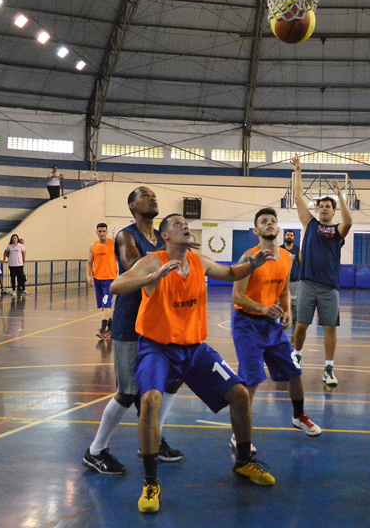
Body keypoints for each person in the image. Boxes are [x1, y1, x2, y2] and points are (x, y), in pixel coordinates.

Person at [111, 213, 277, 513]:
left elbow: (230, 274)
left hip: (194, 349)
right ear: (165, 236)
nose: (185, 226)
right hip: (157, 348)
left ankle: (243, 462)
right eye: (177, 224)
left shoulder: (198, 260)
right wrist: (152, 278)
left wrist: (250, 265)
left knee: (239, 394)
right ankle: (150, 482)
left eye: (186, 224)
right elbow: (116, 286)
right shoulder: (153, 261)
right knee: (149, 400)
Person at [83, 187, 182, 477]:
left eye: (153, 196)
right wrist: (166, 261)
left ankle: (154, 439)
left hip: (158, 320)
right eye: (144, 196)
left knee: (172, 380)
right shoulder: (127, 236)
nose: (152, 198)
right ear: (131, 206)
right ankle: (95, 451)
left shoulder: (160, 238)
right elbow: (132, 267)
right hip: (130, 321)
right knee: (128, 392)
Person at [231, 207, 322, 448]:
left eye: (273, 220)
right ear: (256, 230)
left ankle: (298, 416)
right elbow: (237, 296)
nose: (270, 223)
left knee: (294, 371)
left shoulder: (286, 258)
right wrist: (262, 308)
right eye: (264, 221)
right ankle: (238, 434)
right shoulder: (248, 258)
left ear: (279, 228)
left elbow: (283, 291)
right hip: (247, 324)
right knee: (251, 380)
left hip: (272, 325)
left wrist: (288, 311)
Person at [290, 155, 353, 387]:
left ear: (333, 211)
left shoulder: (338, 231)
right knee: (301, 325)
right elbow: (298, 198)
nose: (324, 209)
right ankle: (296, 356)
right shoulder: (310, 224)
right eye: (321, 206)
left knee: (330, 328)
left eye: (328, 207)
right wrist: (298, 171)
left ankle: (329, 368)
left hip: (329, 288)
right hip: (307, 283)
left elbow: (349, 220)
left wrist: (340, 195)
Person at [88, 223, 118, 339]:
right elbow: (89, 263)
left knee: (106, 304)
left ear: (107, 232)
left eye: (104, 231)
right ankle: (111, 329)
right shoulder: (93, 245)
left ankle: (102, 330)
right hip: (98, 280)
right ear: (97, 232)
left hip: (109, 280)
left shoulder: (113, 244)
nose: (102, 233)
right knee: (104, 306)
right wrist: (89, 276)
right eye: (99, 231)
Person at [280, 229, 301, 328]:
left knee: (294, 302)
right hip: (281, 280)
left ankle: (295, 318)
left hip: (293, 279)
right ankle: (281, 318)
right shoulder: (280, 249)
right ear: (285, 236)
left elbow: (300, 263)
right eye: (288, 235)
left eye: (291, 235)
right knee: (281, 302)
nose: (289, 236)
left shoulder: (297, 250)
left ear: (294, 238)